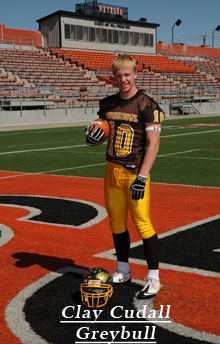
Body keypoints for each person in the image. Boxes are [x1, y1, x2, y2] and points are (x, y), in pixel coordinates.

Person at [85, 54, 165, 299]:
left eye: (127, 74)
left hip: (134, 174)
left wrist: (142, 177)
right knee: (116, 224)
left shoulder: (148, 105)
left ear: (135, 74)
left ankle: (154, 278)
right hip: (112, 171)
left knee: (143, 223)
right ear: (113, 78)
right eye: (118, 75)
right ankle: (123, 269)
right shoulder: (107, 104)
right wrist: (94, 138)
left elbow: (153, 145)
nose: (123, 79)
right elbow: (107, 132)